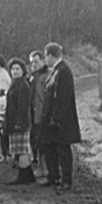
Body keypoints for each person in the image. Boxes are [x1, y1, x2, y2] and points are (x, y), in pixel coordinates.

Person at [40, 43, 82, 191]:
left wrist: (56, 119)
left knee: (63, 150)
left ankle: (66, 180)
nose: (45, 59)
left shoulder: (63, 71)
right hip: (52, 119)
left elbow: (62, 98)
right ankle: (53, 177)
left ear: (51, 55)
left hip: (61, 121)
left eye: (46, 56)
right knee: (49, 147)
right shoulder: (56, 70)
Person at [4, 57, 35, 185]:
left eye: (17, 69)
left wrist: (18, 123)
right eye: (12, 69)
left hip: (20, 123)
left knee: (21, 150)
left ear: (23, 70)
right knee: (22, 149)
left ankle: (22, 176)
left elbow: (23, 106)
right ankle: (29, 174)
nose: (15, 71)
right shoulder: (15, 83)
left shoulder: (23, 85)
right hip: (14, 122)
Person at [28, 50, 51, 183]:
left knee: (44, 143)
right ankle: (41, 167)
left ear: (43, 60)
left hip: (43, 114)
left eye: (36, 61)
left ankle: (45, 168)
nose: (34, 65)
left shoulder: (47, 75)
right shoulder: (34, 76)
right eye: (32, 62)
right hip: (34, 115)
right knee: (37, 141)